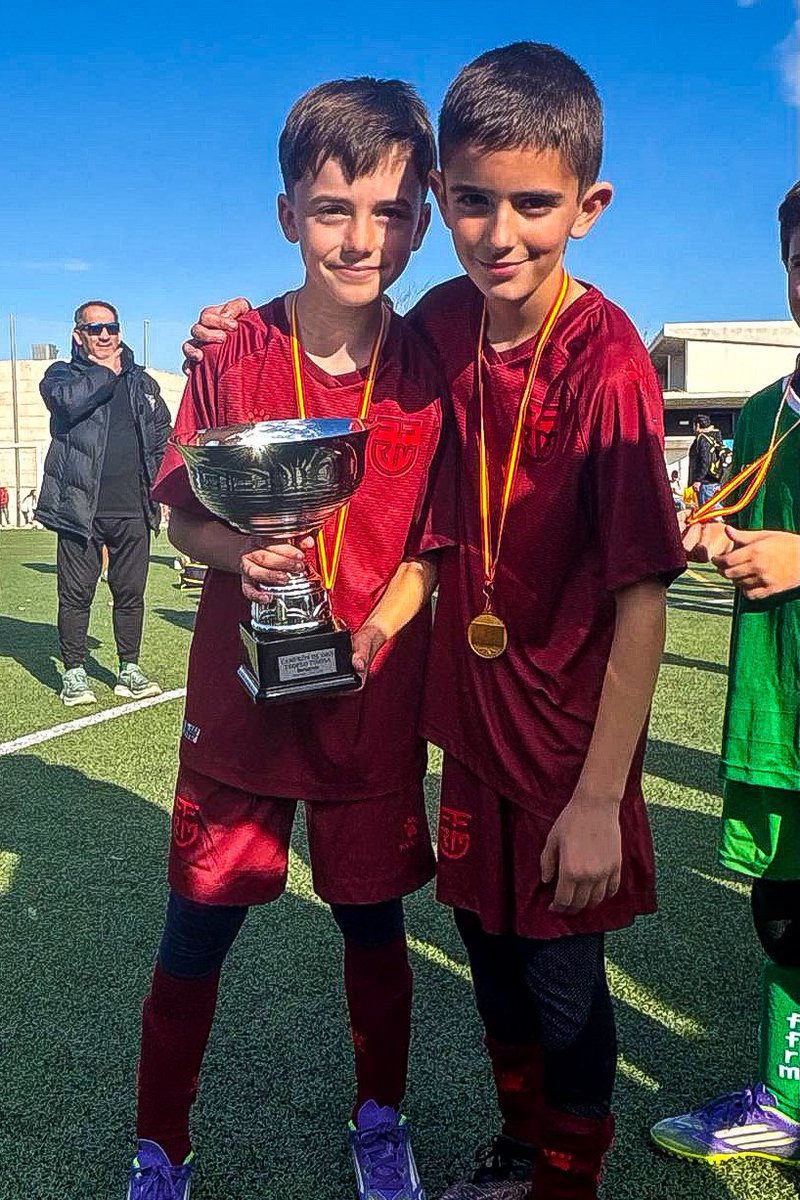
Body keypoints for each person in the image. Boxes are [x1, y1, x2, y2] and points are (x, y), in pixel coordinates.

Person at [186, 43, 686, 1200]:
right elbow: (335, 343)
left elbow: (641, 597)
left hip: (566, 746)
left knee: (563, 985)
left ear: (588, 205)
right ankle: (520, 1152)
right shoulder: (449, 318)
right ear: (441, 203)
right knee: (489, 962)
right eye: (471, 200)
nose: (498, 232)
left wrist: (603, 799)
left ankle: (569, 1175)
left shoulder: (606, 360)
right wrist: (228, 331)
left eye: (533, 203)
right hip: (467, 725)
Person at [128, 78, 449, 1200]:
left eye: (387, 213)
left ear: (419, 219)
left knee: (373, 933)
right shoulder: (233, 351)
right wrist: (240, 555)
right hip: (236, 705)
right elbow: (179, 510)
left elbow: (426, 555)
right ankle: (160, 1146)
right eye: (331, 209)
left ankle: (378, 1121)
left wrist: (372, 633)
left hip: (366, 697)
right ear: (286, 216)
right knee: (192, 938)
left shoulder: (432, 372)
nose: (358, 239)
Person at [651, 183, 800, 1165]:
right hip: (776, 710)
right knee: (785, 910)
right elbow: (753, 528)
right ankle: (784, 1100)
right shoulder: (759, 412)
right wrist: (715, 540)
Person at [35, 302, 170, 705]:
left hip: (132, 507)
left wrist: (160, 490)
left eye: (111, 327)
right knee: (75, 595)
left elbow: (161, 432)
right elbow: (68, 404)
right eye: (95, 329)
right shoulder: (61, 375)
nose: (105, 336)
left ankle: (129, 667)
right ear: (79, 335)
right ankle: (74, 672)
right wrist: (105, 371)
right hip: (80, 508)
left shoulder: (141, 383)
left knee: (131, 594)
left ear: (120, 330)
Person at [688, 413, 728, 508]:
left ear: (697, 425)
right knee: (714, 508)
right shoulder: (715, 438)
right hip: (715, 480)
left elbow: (705, 460)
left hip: (705, 483)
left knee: (709, 512)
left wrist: (698, 479)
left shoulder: (703, 438)